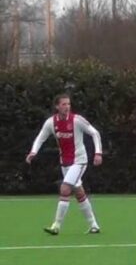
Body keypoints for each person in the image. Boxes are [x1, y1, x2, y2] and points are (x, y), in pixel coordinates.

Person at [27, 94, 103, 235]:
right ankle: (94, 225)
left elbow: (95, 133)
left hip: (79, 161)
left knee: (65, 188)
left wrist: (98, 153)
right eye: (63, 104)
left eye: (68, 104)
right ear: (57, 106)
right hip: (65, 163)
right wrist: (33, 151)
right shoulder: (51, 122)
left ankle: (56, 226)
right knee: (79, 192)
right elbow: (40, 137)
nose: (67, 107)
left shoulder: (77, 120)